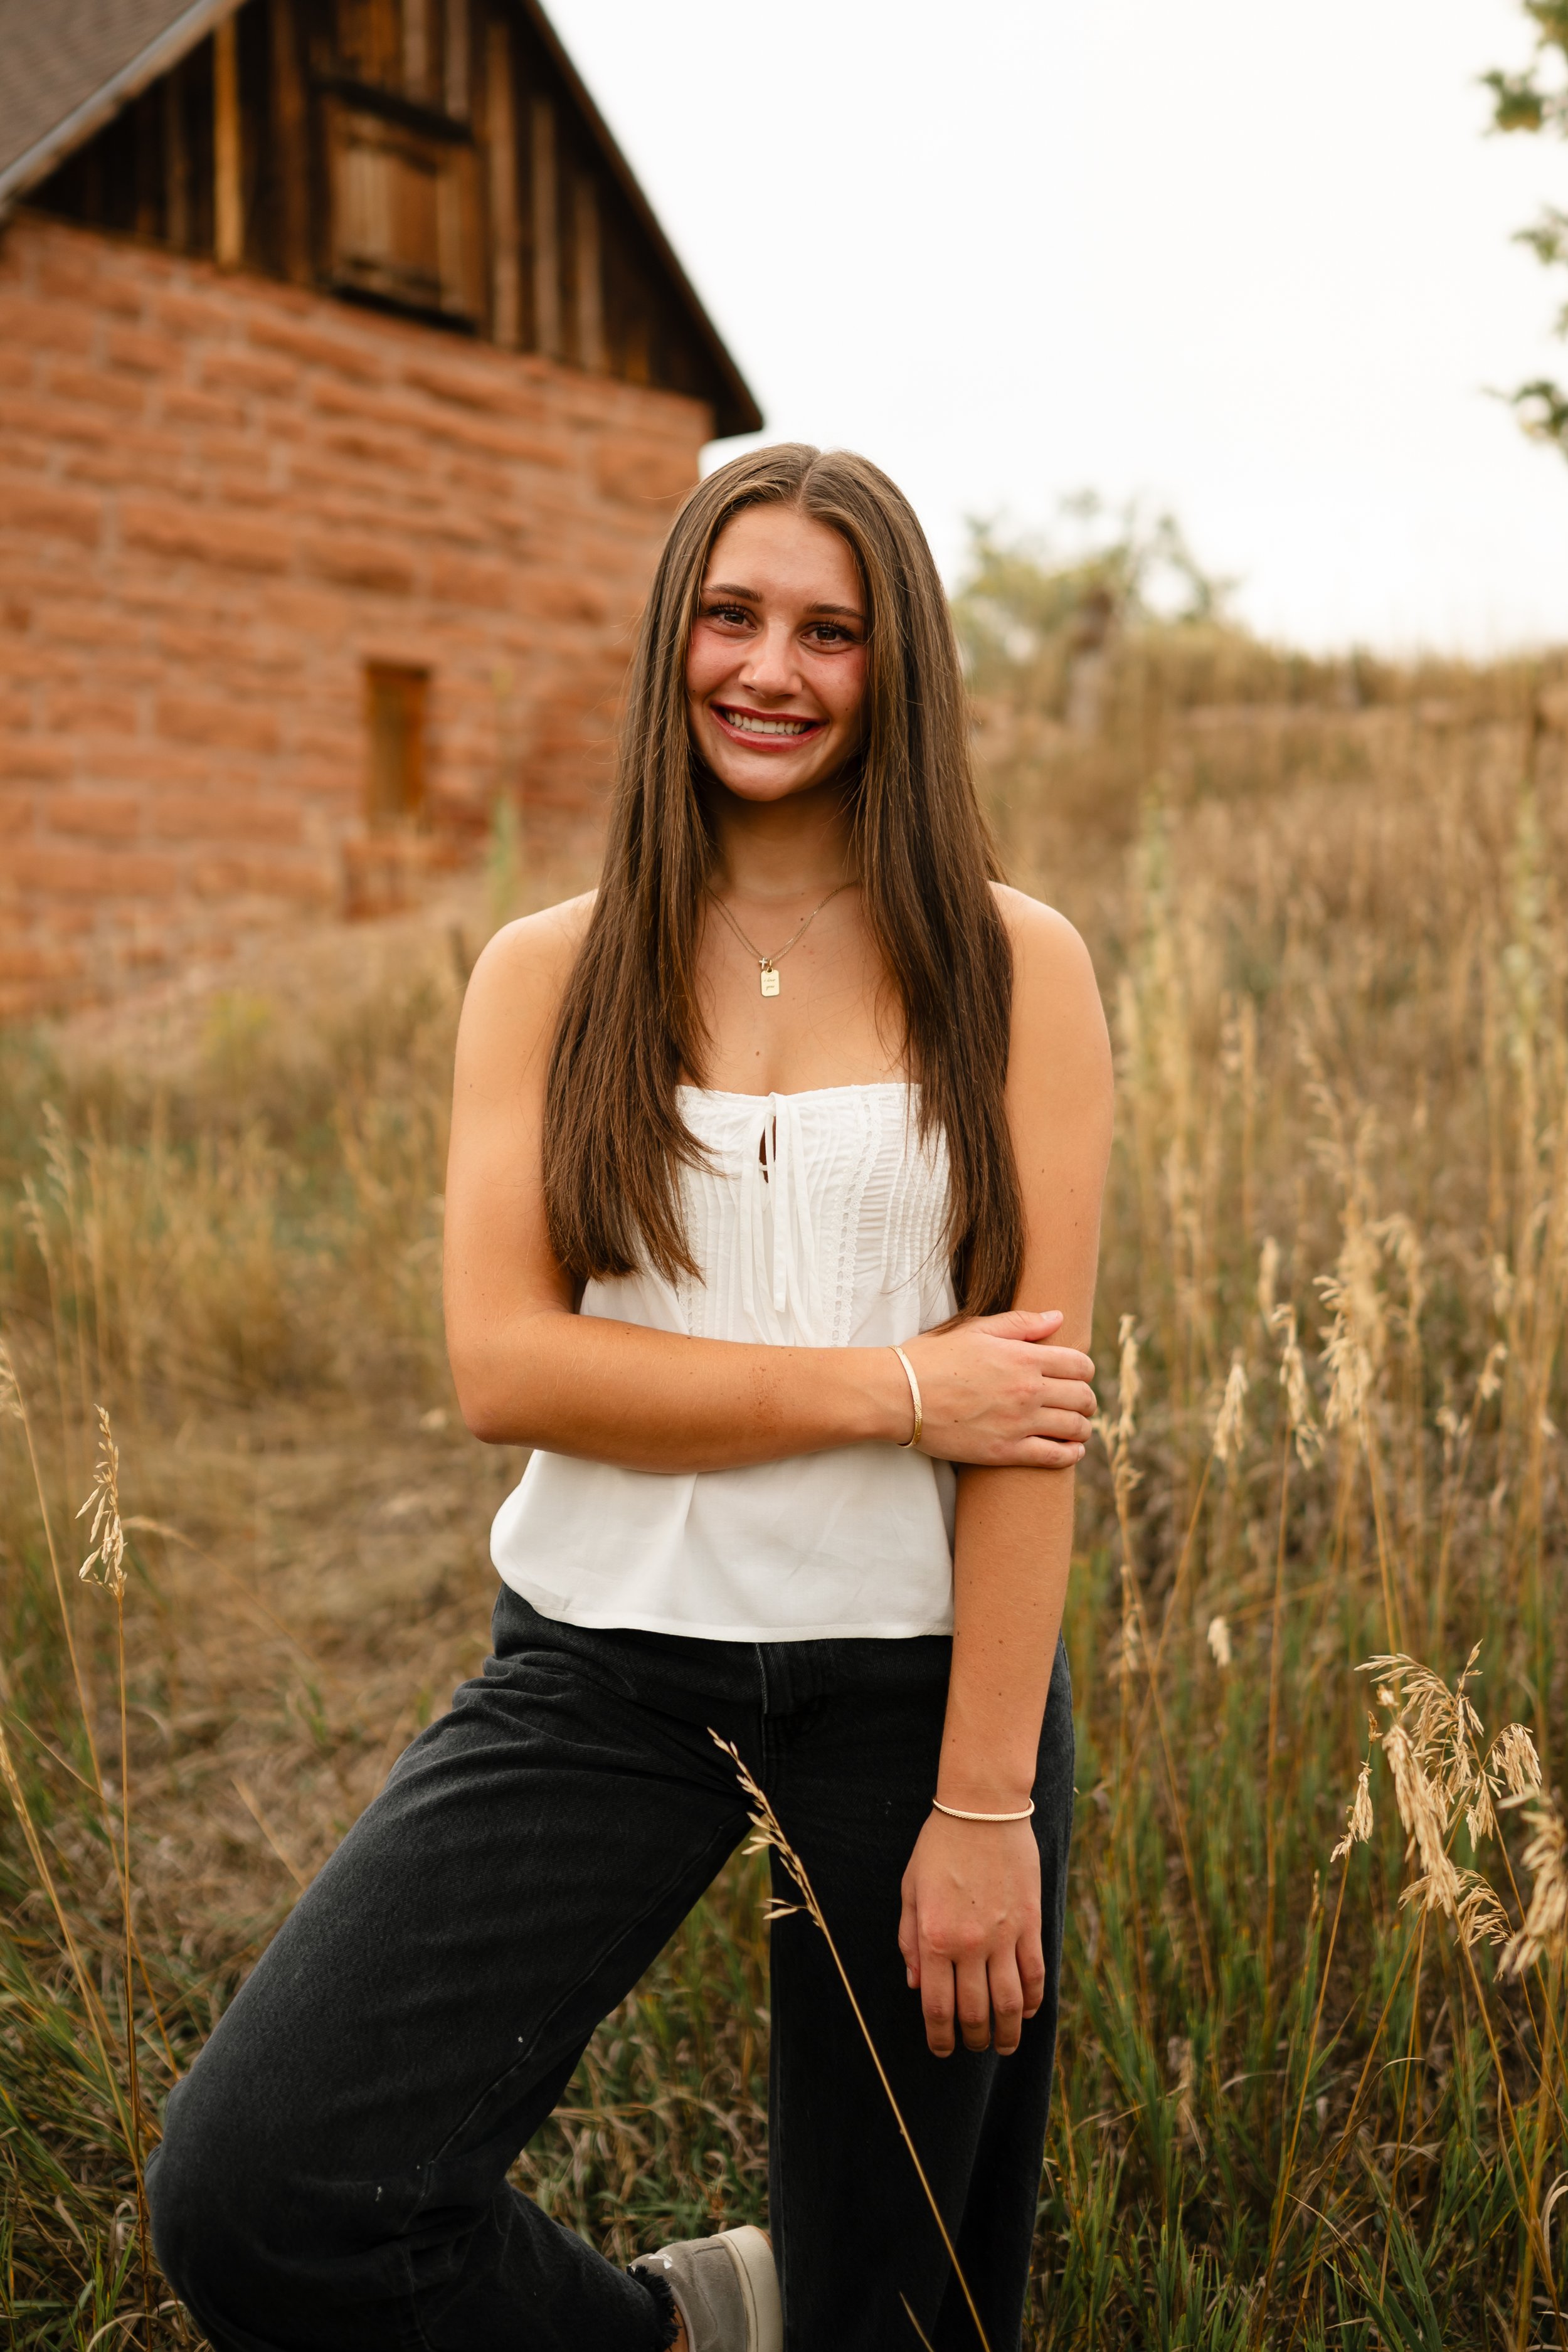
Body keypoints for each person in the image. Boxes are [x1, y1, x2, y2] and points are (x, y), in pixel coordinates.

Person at [147, 444, 1113, 2352]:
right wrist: (898, 1384)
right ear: (673, 634)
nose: (773, 667)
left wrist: (984, 1803)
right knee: (259, 2190)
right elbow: (510, 1370)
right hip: (598, 1669)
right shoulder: (546, 972)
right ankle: (674, 2336)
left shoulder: (1015, 965)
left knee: (899, 2314)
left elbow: (1031, 1414)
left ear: (893, 668)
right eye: (732, 615)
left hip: (913, 1687)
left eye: (830, 631)